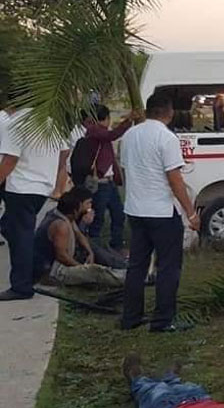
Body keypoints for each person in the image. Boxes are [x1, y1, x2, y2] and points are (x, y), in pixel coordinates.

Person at [118, 94, 200, 333]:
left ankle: (131, 317)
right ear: (169, 111)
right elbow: (175, 179)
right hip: (161, 212)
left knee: (137, 265)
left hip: (135, 209)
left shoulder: (129, 135)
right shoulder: (166, 137)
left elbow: (124, 171)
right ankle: (164, 319)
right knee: (168, 267)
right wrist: (191, 213)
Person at [0, 107, 70, 301]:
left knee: (20, 237)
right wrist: (52, 170)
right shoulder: (48, 121)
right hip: (41, 188)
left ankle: (22, 286)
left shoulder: (16, 123)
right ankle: (36, 266)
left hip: (21, 188)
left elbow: (10, 159)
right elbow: (64, 150)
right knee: (9, 227)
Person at [33, 186, 126, 287]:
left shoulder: (65, 216)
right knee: (95, 271)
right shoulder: (60, 225)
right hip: (54, 272)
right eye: (87, 203)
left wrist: (89, 252)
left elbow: (79, 234)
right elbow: (62, 256)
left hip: (63, 264)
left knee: (95, 246)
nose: (89, 208)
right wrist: (81, 267)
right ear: (76, 208)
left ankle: (124, 268)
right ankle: (129, 278)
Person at [79, 105, 134, 250]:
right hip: (100, 183)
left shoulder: (99, 133)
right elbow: (112, 135)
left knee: (118, 215)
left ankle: (115, 246)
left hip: (109, 183)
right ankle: (94, 249)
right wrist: (128, 122)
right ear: (106, 118)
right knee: (98, 219)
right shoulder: (95, 131)